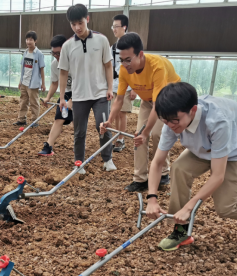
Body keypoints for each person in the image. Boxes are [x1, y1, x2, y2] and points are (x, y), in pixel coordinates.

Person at [145, 82, 237, 251]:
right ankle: (181, 230)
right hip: (205, 147)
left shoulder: (218, 121)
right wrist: (151, 198)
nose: (170, 125)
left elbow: (217, 176)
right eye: (165, 120)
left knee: (225, 207)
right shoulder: (171, 121)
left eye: (175, 120)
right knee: (180, 168)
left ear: (193, 110)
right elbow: (157, 162)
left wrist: (189, 208)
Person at [101, 32, 180, 192]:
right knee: (139, 135)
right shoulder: (124, 71)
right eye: (121, 60)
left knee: (158, 134)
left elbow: (158, 105)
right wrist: (109, 120)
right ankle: (140, 179)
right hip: (147, 100)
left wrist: (147, 132)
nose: (125, 64)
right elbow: (119, 100)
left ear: (140, 54)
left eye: (128, 60)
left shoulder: (157, 65)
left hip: (168, 100)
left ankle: (163, 173)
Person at [58, 3, 115, 173]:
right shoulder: (67, 46)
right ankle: (79, 163)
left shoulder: (102, 40)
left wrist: (110, 88)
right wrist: (62, 97)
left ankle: (108, 159)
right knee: (79, 131)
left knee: (103, 126)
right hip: (79, 95)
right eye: (73, 24)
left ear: (87, 19)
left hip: (100, 93)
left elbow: (108, 65)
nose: (77, 27)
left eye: (80, 23)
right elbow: (63, 73)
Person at [38, 34, 73, 157]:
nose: (57, 56)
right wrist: (48, 97)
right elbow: (54, 83)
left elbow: (85, 83)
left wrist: (73, 101)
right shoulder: (54, 64)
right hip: (66, 93)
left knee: (78, 123)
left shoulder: (76, 62)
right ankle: (48, 146)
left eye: (59, 53)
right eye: (54, 53)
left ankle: (80, 146)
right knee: (59, 118)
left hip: (82, 93)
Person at [110, 14, 136, 152]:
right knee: (114, 112)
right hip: (115, 84)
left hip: (127, 85)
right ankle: (116, 137)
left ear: (124, 27)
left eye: (116, 26)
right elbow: (110, 67)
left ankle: (121, 139)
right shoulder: (113, 47)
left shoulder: (132, 45)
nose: (114, 29)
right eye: (113, 26)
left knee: (122, 113)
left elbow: (136, 67)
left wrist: (134, 88)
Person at [14, 31, 45, 127]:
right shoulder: (25, 52)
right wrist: (20, 81)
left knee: (34, 102)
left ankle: (35, 121)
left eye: (31, 39)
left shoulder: (39, 54)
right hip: (24, 82)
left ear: (35, 41)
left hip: (33, 83)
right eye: (27, 39)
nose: (28, 42)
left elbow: (42, 69)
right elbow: (23, 68)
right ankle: (21, 119)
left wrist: (43, 83)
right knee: (23, 101)